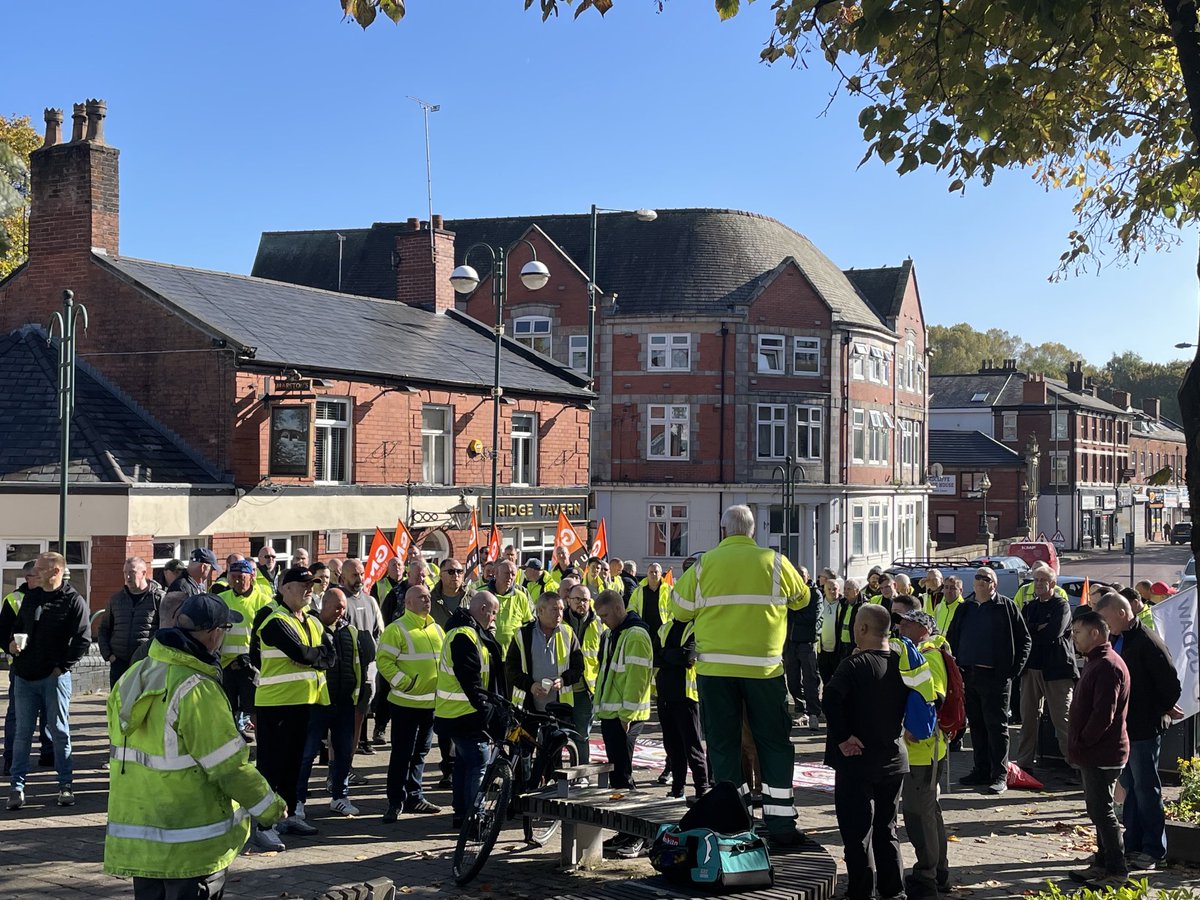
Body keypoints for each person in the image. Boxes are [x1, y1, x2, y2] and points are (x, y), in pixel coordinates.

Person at [104, 594, 286, 899]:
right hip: (191, 845)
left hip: (141, 840)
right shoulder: (197, 689)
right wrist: (270, 807)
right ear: (214, 634)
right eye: (225, 629)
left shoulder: (133, 676)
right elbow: (229, 767)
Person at [669, 505, 810, 847]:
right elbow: (802, 600)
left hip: (716, 671)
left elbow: (678, 610)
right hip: (764, 670)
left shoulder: (703, 566)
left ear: (723, 531)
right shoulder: (774, 562)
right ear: (752, 531)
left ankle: (735, 821)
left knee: (723, 746)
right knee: (773, 744)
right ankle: (781, 824)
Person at [823, 604, 910, 900]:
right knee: (887, 829)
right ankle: (894, 891)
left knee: (857, 833)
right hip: (894, 759)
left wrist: (843, 737)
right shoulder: (902, 662)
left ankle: (861, 892)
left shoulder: (853, 665)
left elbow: (830, 698)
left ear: (861, 628)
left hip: (857, 761)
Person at [249, 566, 337, 850]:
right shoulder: (274, 621)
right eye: (303, 584)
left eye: (312, 584)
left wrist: (314, 657)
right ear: (285, 588)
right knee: (271, 766)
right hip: (276, 704)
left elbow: (329, 655)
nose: (309, 589)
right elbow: (301, 653)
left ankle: (286, 816)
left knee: (293, 765)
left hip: (305, 701)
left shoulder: (311, 620)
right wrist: (314, 656)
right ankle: (263, 825)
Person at [1093, 593, 1181, 871]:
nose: (1104, 625)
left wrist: (1161, 709)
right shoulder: (1119, 638)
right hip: (1124, 726)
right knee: (1131, 787)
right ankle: (1132, 844)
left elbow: (1170, 684)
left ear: (1121, 613)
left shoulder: (1147, 641)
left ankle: (1154, 849)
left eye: (1105, 618)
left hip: (1144, 727)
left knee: (1146, 788)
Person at [6, 552, 89, 811]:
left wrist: (61, 667)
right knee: (22, 733)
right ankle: (16, 788)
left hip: (54, 678)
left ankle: (65, 785)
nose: (34, 573)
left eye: (41, 569)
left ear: (55, 572)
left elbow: (83, 639)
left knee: (59, 732)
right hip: (24, 675)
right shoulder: (31, 597)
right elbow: (17, 627)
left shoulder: (73, 600)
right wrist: (11, 645)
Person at [946, 566, 1031, 794]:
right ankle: (981, 769)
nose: (981, 580)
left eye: (986, 578)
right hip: (969, 675)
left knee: (997, 727)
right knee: (976, 725)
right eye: (978, 577)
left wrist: (1012, 671)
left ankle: (999, 774)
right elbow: (952, 637)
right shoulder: (966, 608)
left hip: (996, 677)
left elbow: (1025, 640)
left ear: (995, 584)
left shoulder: (1006, 607)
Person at [295, 586, 372, 820]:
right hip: (316, 702)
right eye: (337, 607)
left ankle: (340, 796)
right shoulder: (310, 627)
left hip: (344, 701)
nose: (341, 612)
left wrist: (358, 695)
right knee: (306, 754)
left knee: (344, 752)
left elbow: (358, 663)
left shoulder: (350, 631)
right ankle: (297, 800)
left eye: (344, 608)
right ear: (324, 605)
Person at [1067, 609, 1130, 888]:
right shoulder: (1097, 661)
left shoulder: (1107, 665)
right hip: (1094, 751)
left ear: (1095, 633)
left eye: (1077, 632)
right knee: (1097, 811)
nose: (1074, 637)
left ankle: (1117, 870)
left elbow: (1104, 714)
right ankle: (1102, 864)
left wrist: (1083, 742)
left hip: (1102, 752)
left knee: (1103, 812)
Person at [434, 591, 506, 829]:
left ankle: (462, 815)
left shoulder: (467, 632)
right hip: (464, 713)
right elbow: (470, 679)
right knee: (478, 761)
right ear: (483, 609)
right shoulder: (465, 636)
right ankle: (475, 818)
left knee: (464, 763)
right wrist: (486, 710)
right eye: (493, 613)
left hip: (456, 712)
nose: (494, 619)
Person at [594, 589, 654, 858]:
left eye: (605, 615)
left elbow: (637, 678)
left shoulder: (635, 635)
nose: (603, 621)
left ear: (619, 609)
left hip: (625, 717)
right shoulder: (614, 634)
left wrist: (627, 714)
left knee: (624, 776)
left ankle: (640, 834)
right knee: (618, 777)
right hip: (613, 714)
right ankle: (626, 830)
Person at [897, 609, 952, 900]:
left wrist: (913, 727)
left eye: (908, 623)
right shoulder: (922, 652)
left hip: (924, 752)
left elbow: (934, 697)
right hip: (925, 751)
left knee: (920, 816)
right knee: (928, 813)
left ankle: (927, 877)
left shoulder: (930, 655)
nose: (901, 627)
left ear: (924, 629)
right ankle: (938, 872)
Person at [378, 584, 445, 822]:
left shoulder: (436, 629)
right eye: (422, 597)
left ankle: (415, 797)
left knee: (420, 754)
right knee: (401, 754)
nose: (427, 600)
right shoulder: (396, 629)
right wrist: (405, 683)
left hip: (430, 705)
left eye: (428, 596)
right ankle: (395, 801)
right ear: (408, 603)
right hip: (405, 704)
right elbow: (384, 661)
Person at [1013, 566, 1075, 772]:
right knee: (1028, 720)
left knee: (1063, 720)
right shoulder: (1029, 607)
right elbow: (1021, 634)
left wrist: (1034, 630)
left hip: (1056, 670)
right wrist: (1037, 628)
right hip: (1031, 669)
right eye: (1036, 580)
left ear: (1053, 583)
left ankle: (1077, 766)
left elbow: (1053, 633)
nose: (1038, 584)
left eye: (1043, 580)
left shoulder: (1061, 606)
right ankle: (1024, 764)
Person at [0, 561, 53, 776]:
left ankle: (49, 754)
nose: (39, 579)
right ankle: (11, 759)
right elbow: (2, 632)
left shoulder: (55, 597)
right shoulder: (14, 599)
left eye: (41, 575)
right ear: (27, 578)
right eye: (35, 575)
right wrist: (11, 647)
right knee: (17, 714)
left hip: (48, 666)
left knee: (50, 712)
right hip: (21, 667)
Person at [655, 613, 709, 800]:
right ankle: (677, 789)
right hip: (665, 695)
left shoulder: (696, 626)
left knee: (692, 747)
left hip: (687, 697)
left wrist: (666, 654)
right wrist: (673, 656)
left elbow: (687, 655)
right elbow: (655, 656)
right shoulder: (665, 628)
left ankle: (702, 789)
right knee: (672, 748)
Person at [216, 559, 272, 740]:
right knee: (227, 708)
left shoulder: (264, 601)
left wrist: (251, 657)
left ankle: (262, 746)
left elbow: (268, 635)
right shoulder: (222, 599)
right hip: (226, 664)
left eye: (242, 577)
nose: (238, 581)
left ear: (251, 576)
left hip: (251, 665)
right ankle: (230, 743)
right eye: (234, 577)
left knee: (254, 708)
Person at [506, 592, 584, 714]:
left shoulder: (568, 633)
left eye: (561, 609)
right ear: (541, 611)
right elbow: (511, 669)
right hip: (527, 708)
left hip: (559, 708)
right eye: (554, 609)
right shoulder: (523, 635)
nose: (559, 614)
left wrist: (564, 680)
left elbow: (578, 667)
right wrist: (530, 686)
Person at [337, 559, 381, 755]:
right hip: (347, 670)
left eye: (362, 574)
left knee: (360, 715)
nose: (360, 578)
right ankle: (339, 761)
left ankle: (350, 758)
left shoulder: (370, 601)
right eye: (355, 575)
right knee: (345, 718)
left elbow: (377, 632)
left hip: (368, 669)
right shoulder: (340, 600)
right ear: (343, 577)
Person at [98, 560, 165, 682]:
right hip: (119, 663)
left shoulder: (158, 599)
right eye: (125, 572)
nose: (127, 577)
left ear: (143, 573)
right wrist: (109, 655)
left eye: (132, 572)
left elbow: (164, 631)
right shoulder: (116, 600)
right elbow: (104, 628)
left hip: (146, 663)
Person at [564, 584, 603, 764]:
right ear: (568, 601)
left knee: (582, 734)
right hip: (561, 687)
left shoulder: (598, 623)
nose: (581, 603)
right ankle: (554, 773)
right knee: (557, 734)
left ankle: (582, 771)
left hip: (585, 689)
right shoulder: (559, 622)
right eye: (577, 599)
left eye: (585, 600)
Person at [785, 565, 821, 730]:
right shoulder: (789, 593)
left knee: (810, 679)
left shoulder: (815, 594)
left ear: (808, 576)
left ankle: (813, 712)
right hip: (790, 642)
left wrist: (792, 614)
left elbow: (812, 618)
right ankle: (801, 708)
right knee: (792, 679)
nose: (799, 578)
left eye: (802, 575)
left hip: (807, 642)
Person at [489, 560, 532, 661]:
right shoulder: (483, 594)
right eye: (506, 573)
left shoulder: (521, 596)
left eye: (513, 574)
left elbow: (529, 625)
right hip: (489, 655)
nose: (510, 577)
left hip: (514, 656)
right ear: (496, 573)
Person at [628, 563, 670, 640]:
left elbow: (673, 611)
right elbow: (632, 608)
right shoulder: (639, 590)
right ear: (647, 574)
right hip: (643, 629)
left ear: (660, 574)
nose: (653, 574)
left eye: (656, 572)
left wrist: (668, 625)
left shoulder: (668, 590)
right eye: (651, 572)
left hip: (663, 630)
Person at [430, 557, 475, 629]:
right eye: (451, 571)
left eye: (460, 571)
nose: (456, 575)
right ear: (441, 575)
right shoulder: (430, 599)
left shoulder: (473, 596)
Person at [816, 575, 842, 686]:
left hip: (838, 652)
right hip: (822, 651)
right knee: (825, 681)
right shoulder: (819, 603)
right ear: (824, 590)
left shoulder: (843, 604)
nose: (832, 591)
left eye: (834, 589)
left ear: (839, 590)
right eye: (829, 589)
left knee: (838, 681)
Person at [931, 576, 965, 641]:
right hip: (937, 646)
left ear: (960, 590)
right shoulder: (939, 607)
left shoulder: (964, 609)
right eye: (946, 587)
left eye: (952, 588)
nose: (949, 591)